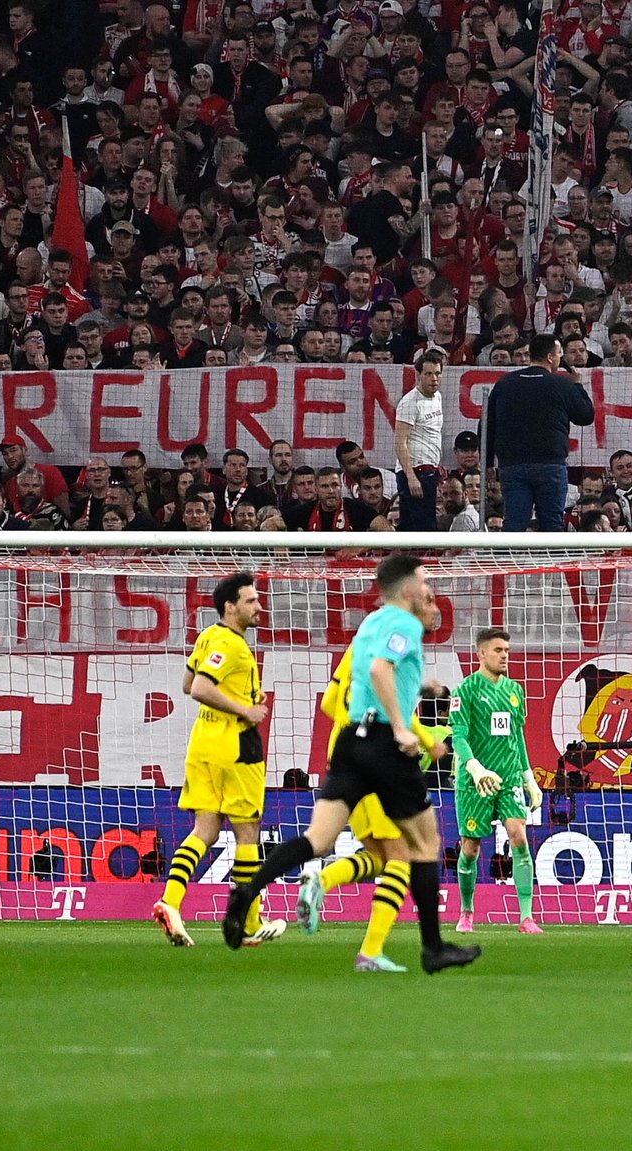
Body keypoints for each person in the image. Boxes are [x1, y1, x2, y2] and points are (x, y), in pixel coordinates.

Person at [223, 555, 479, 972]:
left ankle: (247, 892)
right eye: (424, 581)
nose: (430, 589)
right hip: (382, 742)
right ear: (407, 589)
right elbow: (381, 670)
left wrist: (417, 689)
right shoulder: (405, 624)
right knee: (425, 844)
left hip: (348, 740)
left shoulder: (371, 623)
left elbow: (366, 672)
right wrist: (402, 728)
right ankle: (433, 948)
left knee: (318, 841)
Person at [295, 626, 454, 972]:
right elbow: (393, 714)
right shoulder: (389, 654)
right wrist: (429, 741)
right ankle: (370, 950)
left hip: (344, 763)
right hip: (376, 764)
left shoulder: (355, 649)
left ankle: (322, 880)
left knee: (380, 857)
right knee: (404, 856)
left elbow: (326, 703)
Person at [150, 573, 287, 949]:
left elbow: (186, 680)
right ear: (231, 607)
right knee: (248, 831)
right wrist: (245, 708)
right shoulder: (232, 645)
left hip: (204, 743)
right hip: (235, 744)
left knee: (205, 831)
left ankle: (170, 902)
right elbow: (199, 687)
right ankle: (249, 921)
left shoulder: (209, 636)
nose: (259, 607)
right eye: (251, 601)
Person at [446, 627, 546, 934]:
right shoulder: (466, 690)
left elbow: (517, 736)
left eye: (507, 651)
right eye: (499, 650)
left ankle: (526, 917)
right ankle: (466, 912)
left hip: (508, 778)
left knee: (518, 836)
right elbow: (459, 736)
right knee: (471, 848)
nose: (505, 656)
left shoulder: (515, 691)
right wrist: (475, 768)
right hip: (475, 781)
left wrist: (529, 777)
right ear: (481, 654)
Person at [483, 333, 593, 532]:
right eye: (559, 353)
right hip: (549, 466)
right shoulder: (562, 385)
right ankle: (550, 564)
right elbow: (585, 415)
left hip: (512, 466)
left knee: (514, 523)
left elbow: (487, 424)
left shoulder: (504, 384)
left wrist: (489, 462)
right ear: (550, 358)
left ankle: (508, 562)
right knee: (552, 524)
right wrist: (577, 385)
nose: (561, 359)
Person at [393, 350, 447, 531]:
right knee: (424, 528)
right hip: (416, 472)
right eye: (429, 374)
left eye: (437, 373)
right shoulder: (410, 403)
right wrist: (411, 477)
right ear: (418, 375)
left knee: (410, 526)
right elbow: (400, 442)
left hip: (428, 469)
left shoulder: (437, 397)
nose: (434, 378)